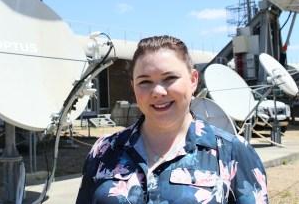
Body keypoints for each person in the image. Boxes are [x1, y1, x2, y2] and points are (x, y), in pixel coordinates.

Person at [76, 35, 268, 204]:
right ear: (133, 87)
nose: (158, 91)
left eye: (169, 78)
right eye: (145, 82)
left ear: (193, 80)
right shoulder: (104, 151)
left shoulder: (232, 153)